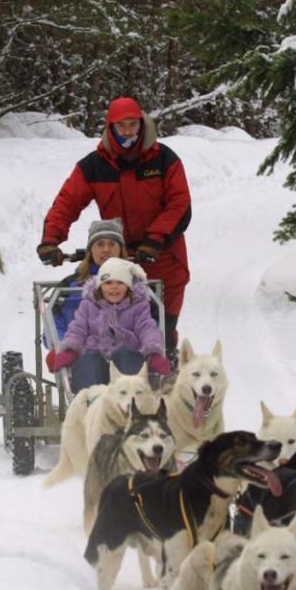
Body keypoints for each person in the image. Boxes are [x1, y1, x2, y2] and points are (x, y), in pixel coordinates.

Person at [36, 96, 191, 363]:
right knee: (107, 322)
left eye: (133, 125)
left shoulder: (164, 160)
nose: (128, 132)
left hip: (163, 258)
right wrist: (51, 239)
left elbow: (180, 204)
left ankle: (162, 381)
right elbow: (68, 201)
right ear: (110, 127)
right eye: (122, 126)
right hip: (117, 259)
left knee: (158, 330)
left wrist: (155, 239)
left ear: (142, 124)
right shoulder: (94, 165)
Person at [50, 257, 171, 393]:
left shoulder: (138, 306)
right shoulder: (88, 305)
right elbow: (77, 329)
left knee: (127, 355)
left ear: (128, 286)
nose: (114, 287)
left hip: (127, 360)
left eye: (120, 282)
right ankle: (92, 403)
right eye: (108, 282)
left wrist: (153, 353)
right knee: (89, 361)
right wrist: (70, 350)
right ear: (100, 286)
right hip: (94, 358)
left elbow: (147, 329)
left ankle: (131, 402)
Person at [46, 218, 129, 347]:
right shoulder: (68, 286)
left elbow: (150, 325)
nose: (106, 249)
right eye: (100, 244)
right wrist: (66, 347)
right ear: (91, 251)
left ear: (120, 250)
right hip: (78, 356)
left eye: (112, 244)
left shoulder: (135, 285)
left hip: (125, 357)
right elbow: (53, 327)